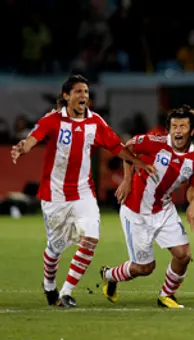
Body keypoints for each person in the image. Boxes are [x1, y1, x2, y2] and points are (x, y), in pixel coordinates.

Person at [10, 74, 155, 308]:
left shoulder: (95, 122)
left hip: (84, 193)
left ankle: (65, 293)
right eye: (78, 91)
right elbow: (33, 138)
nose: (83, 96)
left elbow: (116, 146)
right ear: (66, 96)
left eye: (86, 92)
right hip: (55, 196)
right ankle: (49, 284)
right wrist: (22, 148)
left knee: (90, 239)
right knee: (55, 248)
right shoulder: (53, 120)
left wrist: (137, 162)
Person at [100, 105, 194, 308]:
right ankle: (109, 275)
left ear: (192, 131)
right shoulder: (154, 142)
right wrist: (127, 179)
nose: (177, 130)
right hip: (135, 211)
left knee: (183, 255)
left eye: (182, 126)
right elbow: (128, 147)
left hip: (163, 209)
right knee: (144, 268)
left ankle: (166, 295)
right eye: (174, 126)